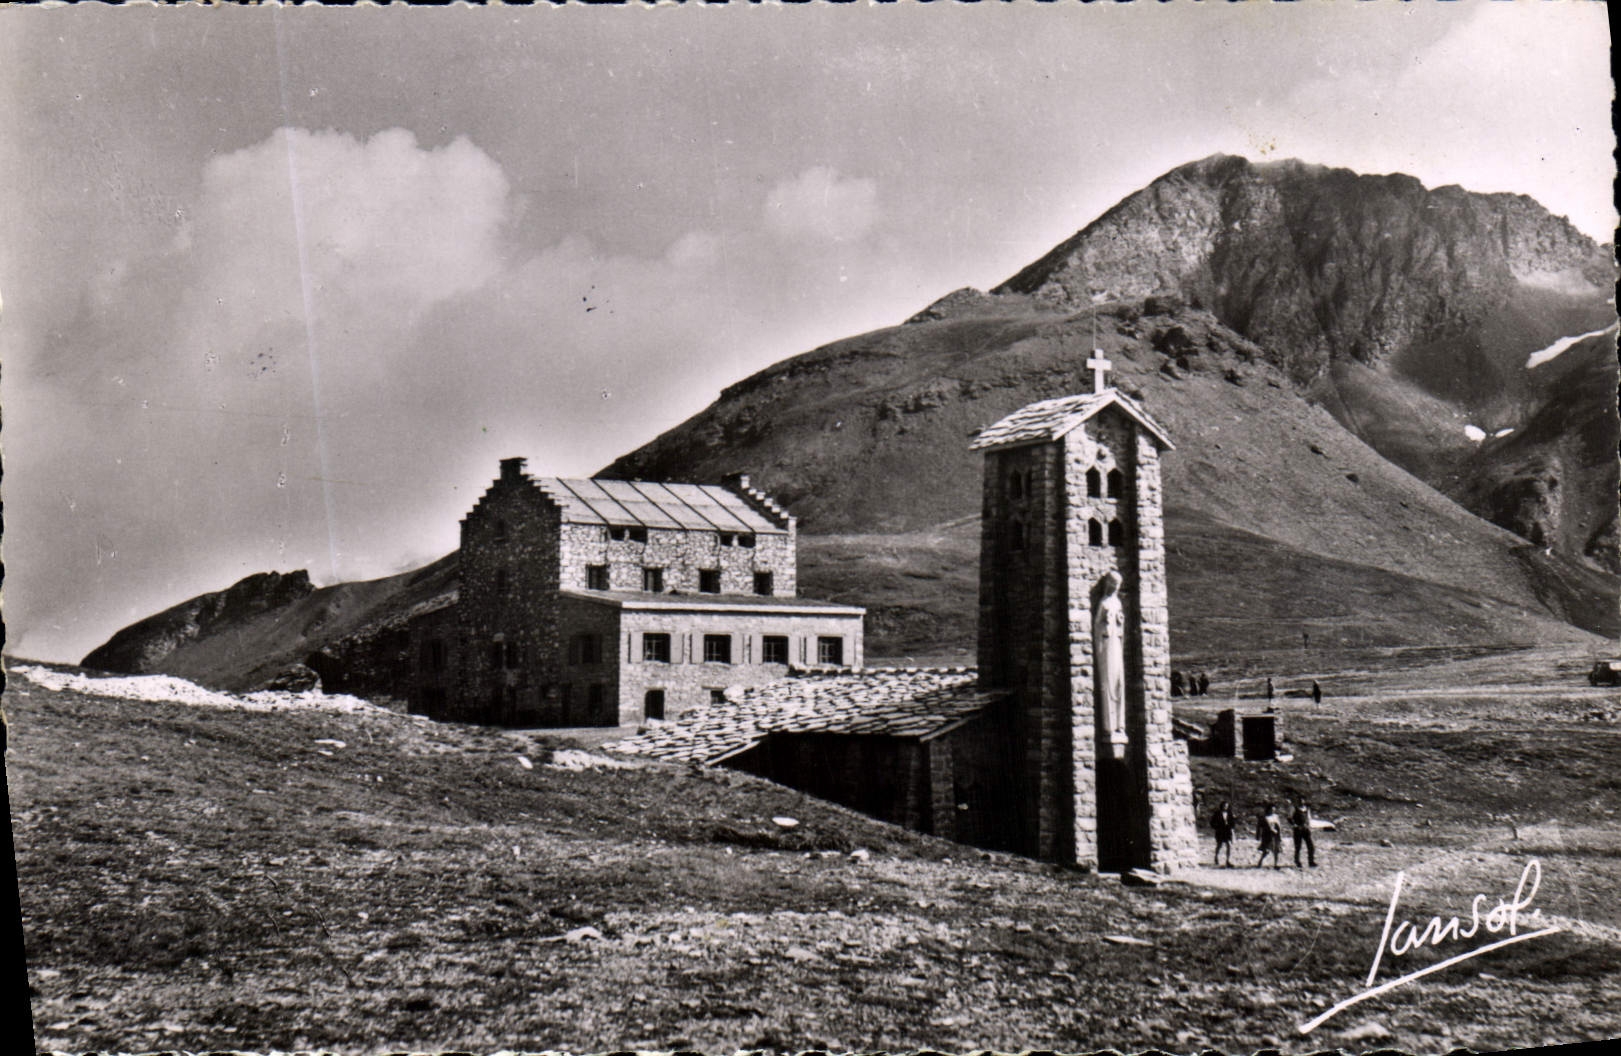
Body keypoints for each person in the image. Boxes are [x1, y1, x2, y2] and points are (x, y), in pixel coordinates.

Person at [1291, 797, 1318, 868]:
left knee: (1311, 846)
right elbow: (1289, 818)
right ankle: (1297, 861)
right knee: (1298, 846)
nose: (1301, 802)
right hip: (1298, 830)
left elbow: (1309, 819)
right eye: (1300, 801)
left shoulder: (1307, 809)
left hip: (1305, 829)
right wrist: (1295, 825)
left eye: (1302, 801)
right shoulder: (1295, 808)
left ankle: (1311, 861)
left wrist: (1310, 826)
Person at [1210, 800, 1236, 867]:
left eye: (1227, 806)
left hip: (1227, 831)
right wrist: (1217, 827)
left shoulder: (1230, 813)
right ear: (1222, 806)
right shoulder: (1217, 813)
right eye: (1224, 806)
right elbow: (1212, 822)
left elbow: (1233, 822)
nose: (1226, 807)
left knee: (1229, 845)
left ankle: (1228, 860)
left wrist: (1231, 827)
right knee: (1219, 845)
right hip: (1220, 831)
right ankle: (1216, 857)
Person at [1256, 803, 1282, 869]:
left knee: (1276, 850)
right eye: (1271, 810)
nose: (1273, 811)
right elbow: (1259, 826)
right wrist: (1258, 835)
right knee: (1266, 850)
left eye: (1274, 810)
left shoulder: (1276, 816)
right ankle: (1260, 861)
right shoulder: (1264, 817)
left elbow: (1279, 825)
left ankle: (1276, 864)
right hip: (1267, 835)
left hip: (1275, 835)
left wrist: (1279, 833)